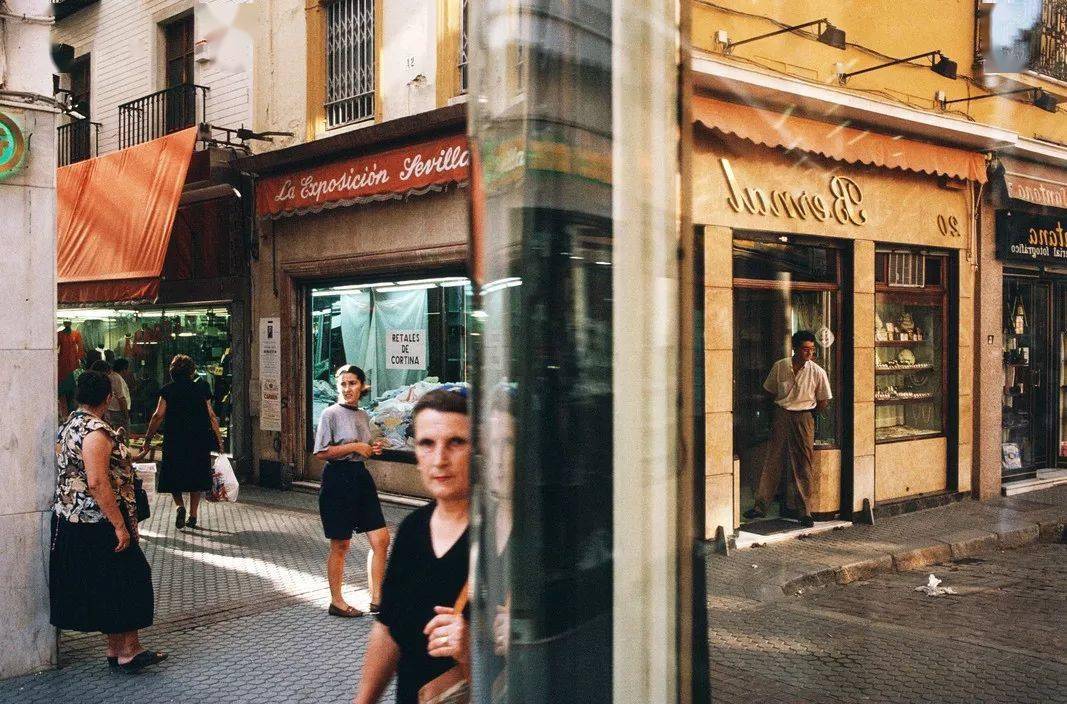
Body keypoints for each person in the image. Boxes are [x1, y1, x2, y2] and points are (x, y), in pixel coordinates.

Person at [354, 389, 471, 704]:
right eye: (427, 444)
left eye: (456, 442)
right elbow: (389, 629)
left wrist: (473, 650)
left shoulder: (500, 540)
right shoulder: (413, 530)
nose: (440, 459)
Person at [50, 370, 166, 672]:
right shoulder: (95, 432)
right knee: (134, 579)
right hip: (98, 521)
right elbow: (98, 481)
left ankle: (117, 649)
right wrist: (118, 525)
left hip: (73, 520)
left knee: (110, 584)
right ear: (108, 397)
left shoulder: (68, 426)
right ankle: (129, 649)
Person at [314, 364, 389, 618]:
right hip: (337, 479)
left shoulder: (363, 415)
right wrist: (356, 446)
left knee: (381, 540)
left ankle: (377, 598)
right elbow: (321, 453)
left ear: (362, 386)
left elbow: (364, 446)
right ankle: (336, 601)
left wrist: (372, 447)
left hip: (360, 478)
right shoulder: (330, 414)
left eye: (353, 383)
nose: (348, 389)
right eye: (343, 384)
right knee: (341, 544)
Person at [744, 330, 832, 527]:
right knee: (772, 459)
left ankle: (805, 511)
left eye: (812, 350)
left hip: (804, 417)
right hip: (782, 414)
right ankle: (760, 506)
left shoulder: (818, 372)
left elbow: (823, 400)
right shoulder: (780, 366)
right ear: (795, 348)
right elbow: (768, 391)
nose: (809, 353)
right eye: (805, 349)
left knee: (803, 464)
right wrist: (774, 414)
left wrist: (809, 415)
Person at [137, 354, 224, 530]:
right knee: (197, 475)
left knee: (173, 475)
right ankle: (193, 515)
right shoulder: (201, 389)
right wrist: (220, 440)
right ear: (192, 372)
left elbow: (158, 415)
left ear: (172, 371)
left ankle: (179, 506)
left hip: (175, 438)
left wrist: (147, 439)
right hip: (198, 439)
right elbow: (211, 415)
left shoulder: (167, 390)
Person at [90, 358, 132, 431]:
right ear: (124, 369)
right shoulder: (116, 378)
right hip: (117, 412)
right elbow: (121, 398)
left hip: (108, 411)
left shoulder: (110, 378)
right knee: (123, 434)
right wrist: (126, 415)